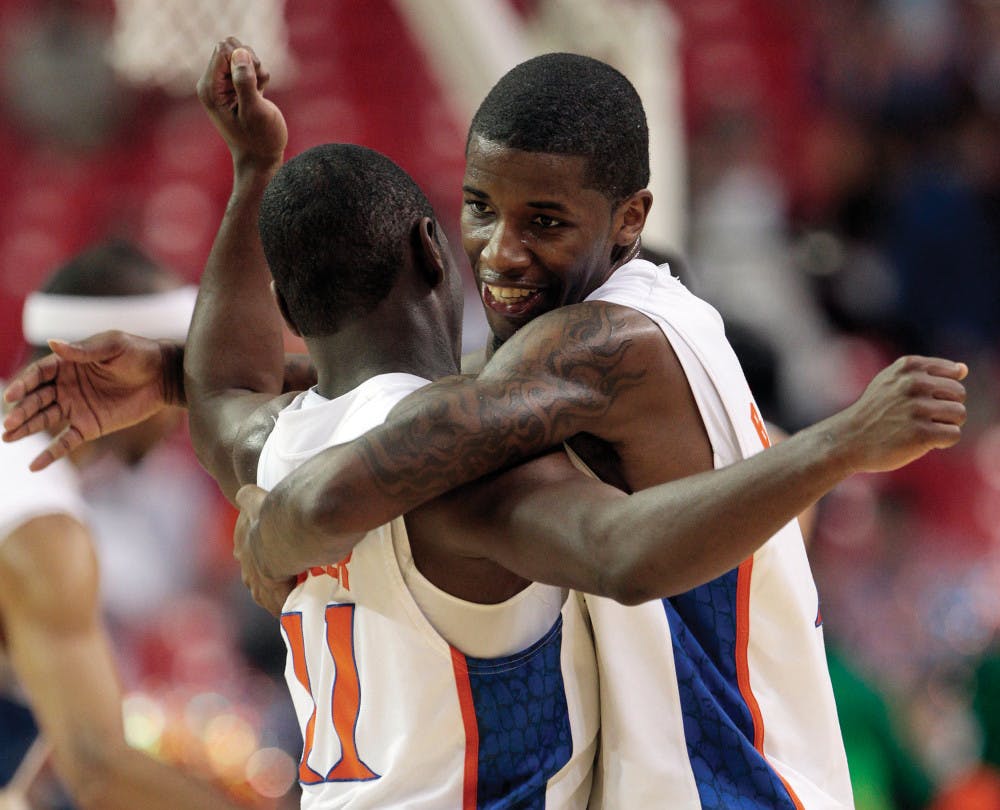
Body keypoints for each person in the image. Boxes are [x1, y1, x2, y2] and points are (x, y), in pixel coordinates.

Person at [3, 45, 968, 809]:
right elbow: (440, 409)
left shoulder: (601, 343)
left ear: (629, 219)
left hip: (730, 784)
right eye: (480, 208)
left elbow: (347, 463)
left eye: (544, 221)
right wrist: (174, 376)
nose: (500, 252)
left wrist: (271, 522)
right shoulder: (516, 384)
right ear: (435, 238)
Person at [0, 241, 249, 810]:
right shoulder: (38, 522)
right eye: (170, 371)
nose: (183, 402)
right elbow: (98, 771)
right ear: (112, 364)